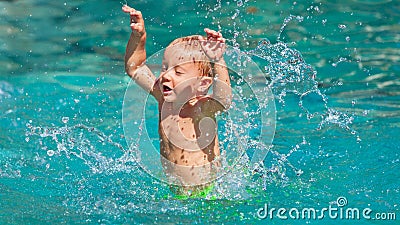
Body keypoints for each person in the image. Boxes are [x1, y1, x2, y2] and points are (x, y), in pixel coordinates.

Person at [122, 5, 232, 198]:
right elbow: (135, 67)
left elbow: (224, 100)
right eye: (165, 67)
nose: (165, 75)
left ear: (202, 84)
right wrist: (139, 37)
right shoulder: (163, 99)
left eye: (178, 72)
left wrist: (218, 61)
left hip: (207, 193)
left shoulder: (201, 108)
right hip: (175, 191)